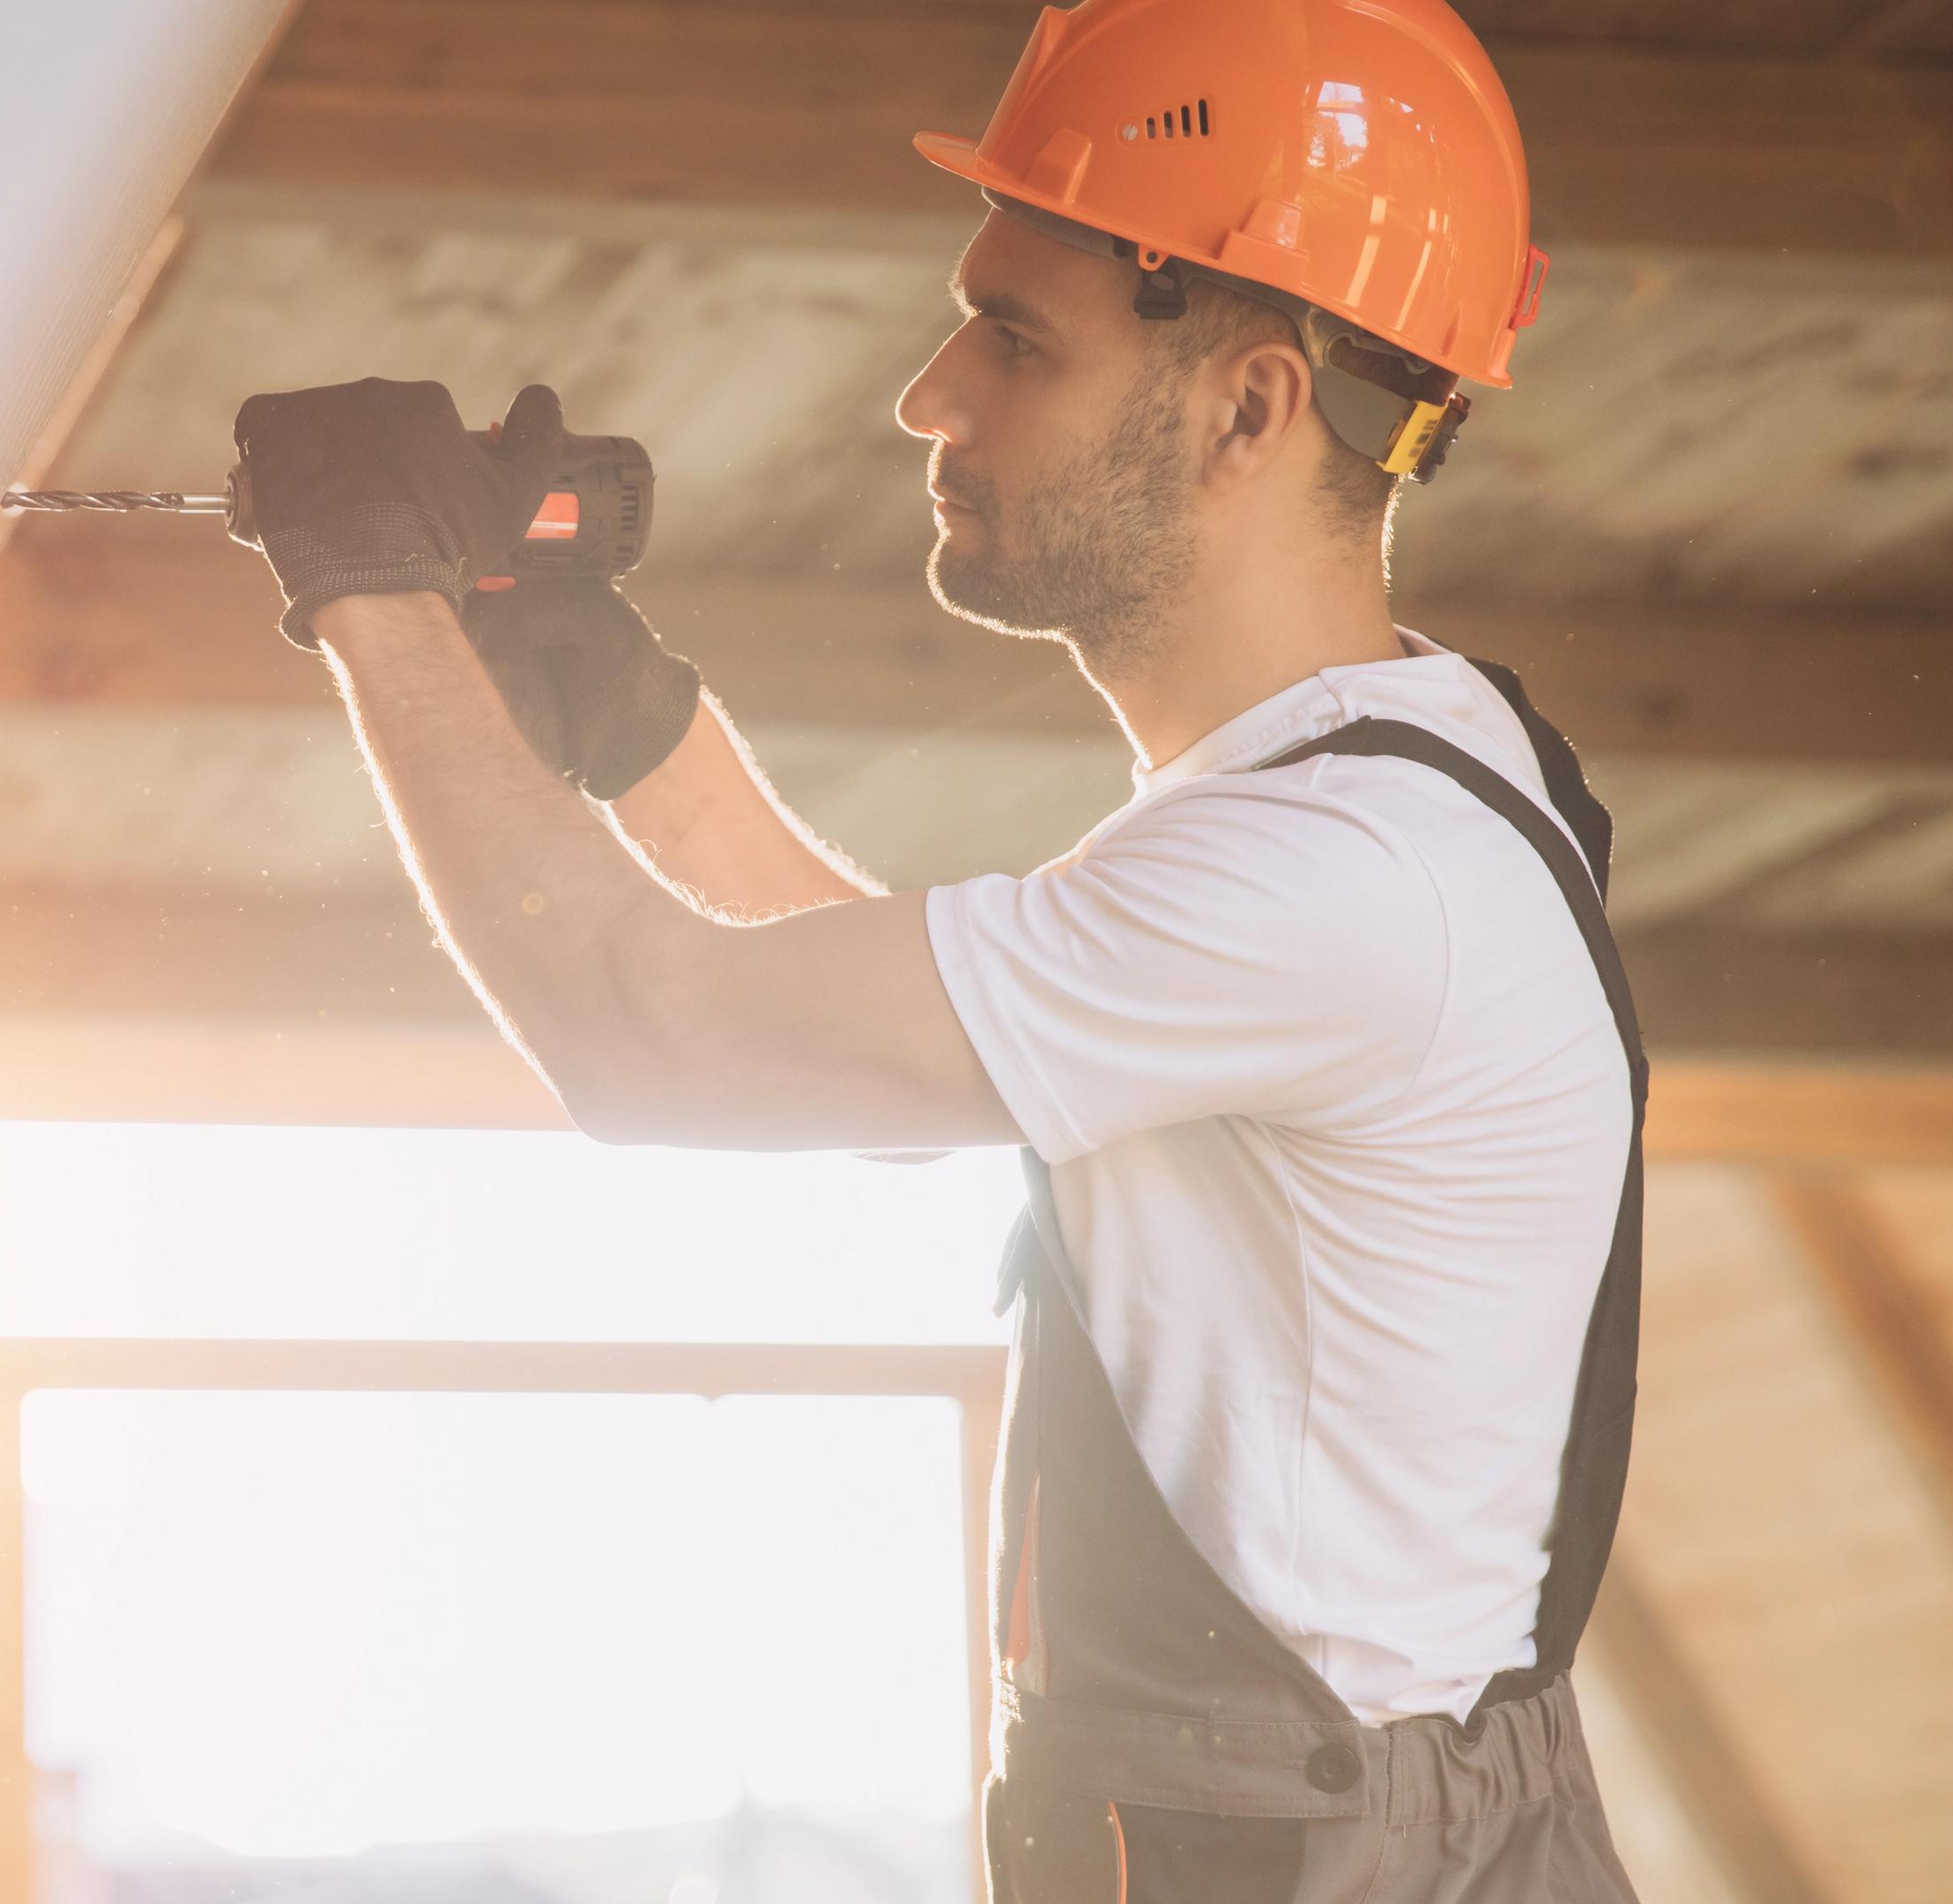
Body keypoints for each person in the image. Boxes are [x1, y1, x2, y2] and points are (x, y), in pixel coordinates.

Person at [220, 0, 1641, 1897]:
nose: (928, 396)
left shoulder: (1341, 875)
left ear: (1248, 409)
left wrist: (372, 588)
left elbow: (647, 1042)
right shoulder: (1370, 788)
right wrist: (638, 735)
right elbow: (908, 1074)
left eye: (1016, 338)